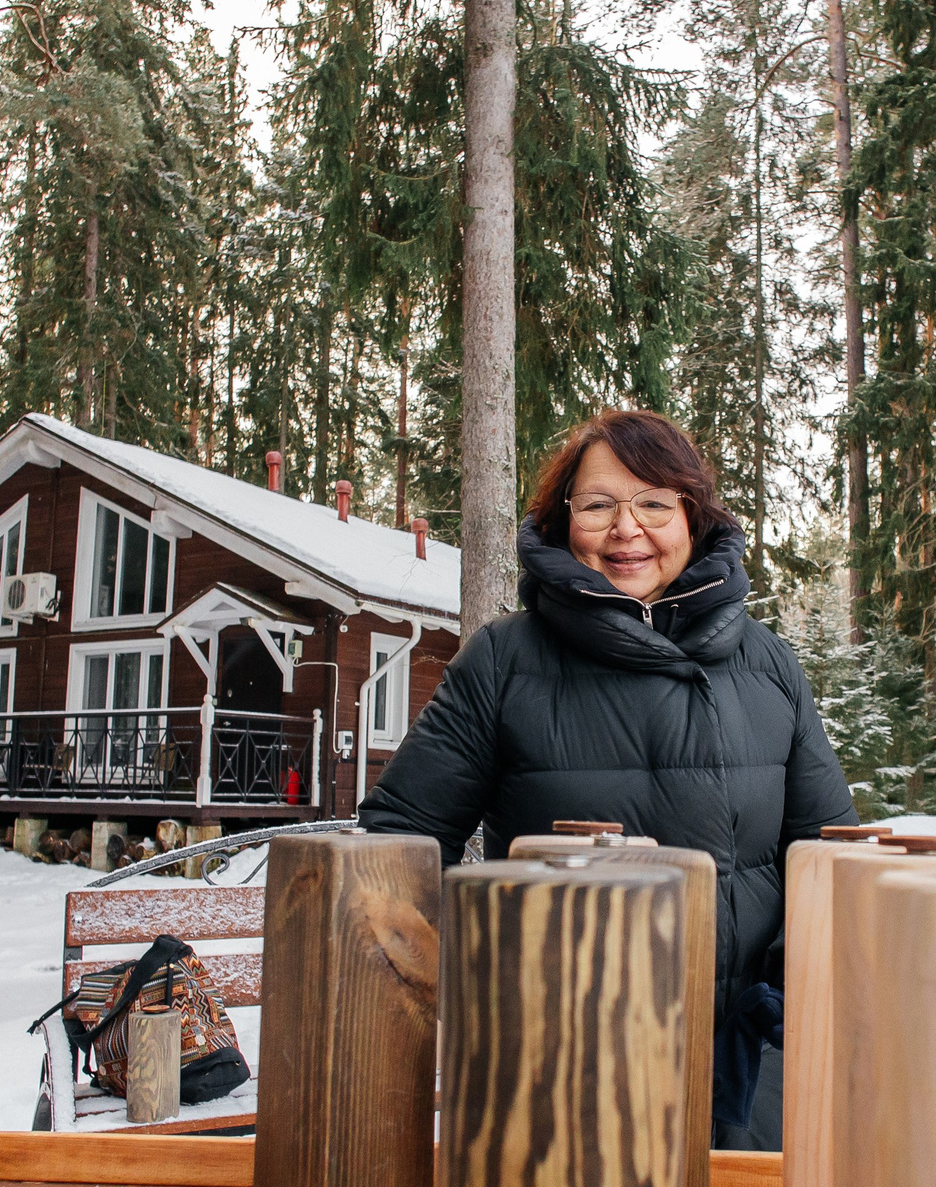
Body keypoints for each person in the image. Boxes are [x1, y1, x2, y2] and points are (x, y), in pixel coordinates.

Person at [358, 407, 858, 1147]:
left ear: (692, 516)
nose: (627, 529)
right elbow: (396, 850)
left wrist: (780, 1010)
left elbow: (829, 856)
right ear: (565, 521)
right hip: (555, 1081)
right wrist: (496, 985)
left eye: (653, 503)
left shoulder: (768, 665)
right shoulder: (503, 662)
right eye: (598, 505)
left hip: (745, 1084)